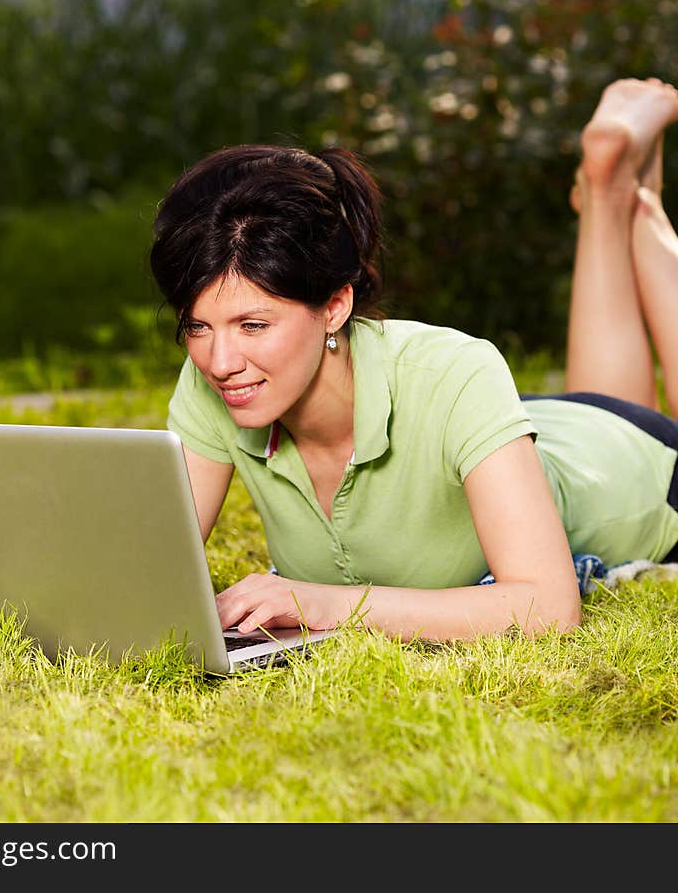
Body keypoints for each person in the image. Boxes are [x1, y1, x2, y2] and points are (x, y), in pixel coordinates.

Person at [148, 77, 678, 644]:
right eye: (197, 326)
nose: (221, 360)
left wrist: (325, 602)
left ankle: (631, 206)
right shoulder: (218, 380)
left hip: (633, 466)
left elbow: (549, 607)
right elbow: (150, 567)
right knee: (593, 396)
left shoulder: (456, 369)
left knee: (625, 408)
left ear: (334, 306)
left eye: (254, 325)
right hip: (540, 429)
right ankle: (608, 187)